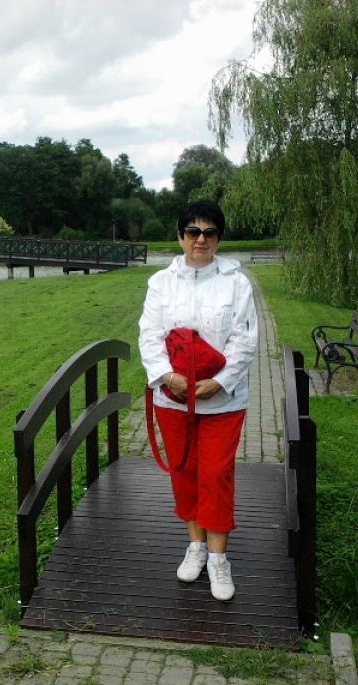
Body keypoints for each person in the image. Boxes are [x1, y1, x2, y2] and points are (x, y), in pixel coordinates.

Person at [138, 199, 258, 601]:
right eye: (193, 231)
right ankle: (196, 546)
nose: (200, 239)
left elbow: (245, 339)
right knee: (185, 473)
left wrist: (220, 382)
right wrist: (166, 376)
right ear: (180, 237)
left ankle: (219, 558)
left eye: (209, 232)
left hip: (223, 402)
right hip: (173, 399)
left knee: (216, 475)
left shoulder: (237, 283)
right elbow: (149, 335)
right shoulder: (161, 283)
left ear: (218, 239)